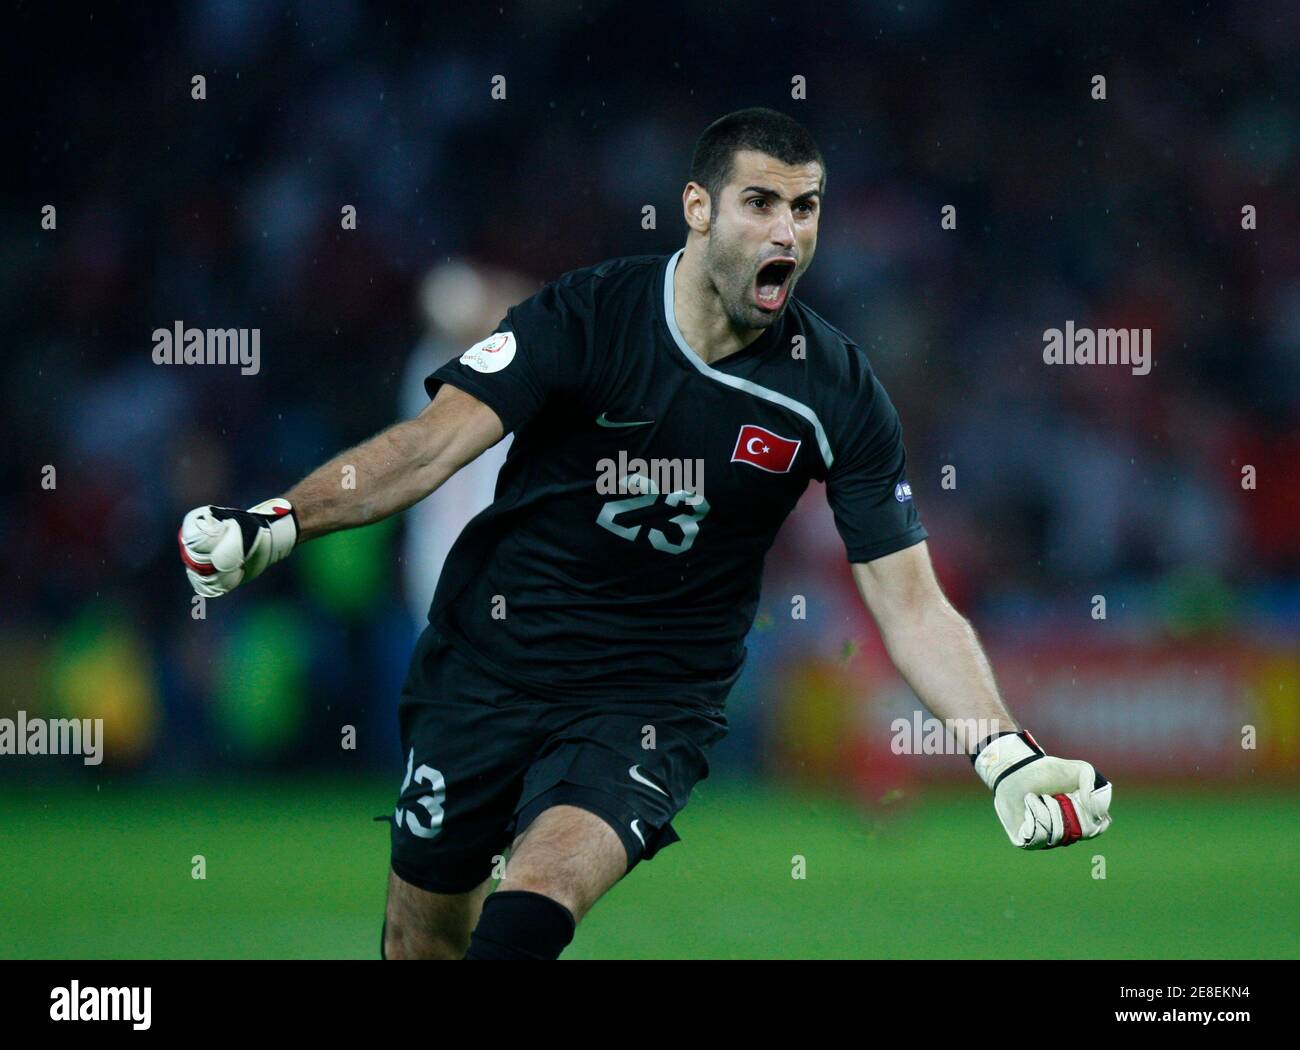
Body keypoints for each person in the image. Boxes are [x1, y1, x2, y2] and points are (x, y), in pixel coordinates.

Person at [178, 107, 1113, 961]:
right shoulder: (585, 317)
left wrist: (1002, 754)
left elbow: (911, 606)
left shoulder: (836, 392)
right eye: (761, 203)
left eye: (807, 207)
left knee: (539, 894)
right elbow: (429, 449)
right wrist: (281, 519)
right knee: (422, 943)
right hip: (487, 664)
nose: (789, 232)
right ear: (698, 209)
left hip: (646, 699)